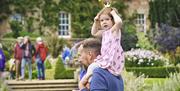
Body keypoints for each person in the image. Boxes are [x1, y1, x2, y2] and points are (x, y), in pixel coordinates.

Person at [79, 6, 125, 90]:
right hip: (106, 58)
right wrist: (95, 21)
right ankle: (90, 83)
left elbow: (119, 22)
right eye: (102, 20)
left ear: (112, 20)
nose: (104, 22)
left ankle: (89, 83)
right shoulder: (104, 33)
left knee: (92, 67)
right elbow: (94, 33)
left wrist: (113, 13)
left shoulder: (114, 31)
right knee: (93, 67)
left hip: (112, 57)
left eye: (107, 19)